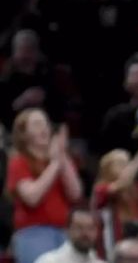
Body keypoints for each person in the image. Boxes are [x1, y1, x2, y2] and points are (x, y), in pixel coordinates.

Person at [6, 109, 83, 263]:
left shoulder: (58, 160)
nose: (44, 128)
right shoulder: (18, 162)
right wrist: (55, 163)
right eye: (36, 124)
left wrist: (61, 155)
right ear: (23, 134)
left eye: (45, 123)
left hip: (64, 231)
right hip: (34, 233)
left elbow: (76, 193)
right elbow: (32, 197)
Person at [34, 207, 104, 263]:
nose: (85, 233)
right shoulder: (48, 261)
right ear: (67, 230)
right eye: (79, 228)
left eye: (90, 228)